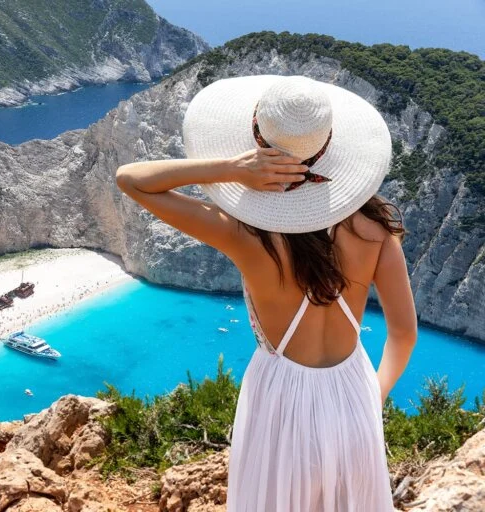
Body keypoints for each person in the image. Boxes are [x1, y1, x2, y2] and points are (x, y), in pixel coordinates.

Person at [115, 75, 417, 511]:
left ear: (260, 146)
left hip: (281, 401)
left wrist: (232, 169)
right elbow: (404, 335)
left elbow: (133, 180)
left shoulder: (245, 234)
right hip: (354, 392)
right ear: (329, 148)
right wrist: (374, 394)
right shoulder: (375, 230)